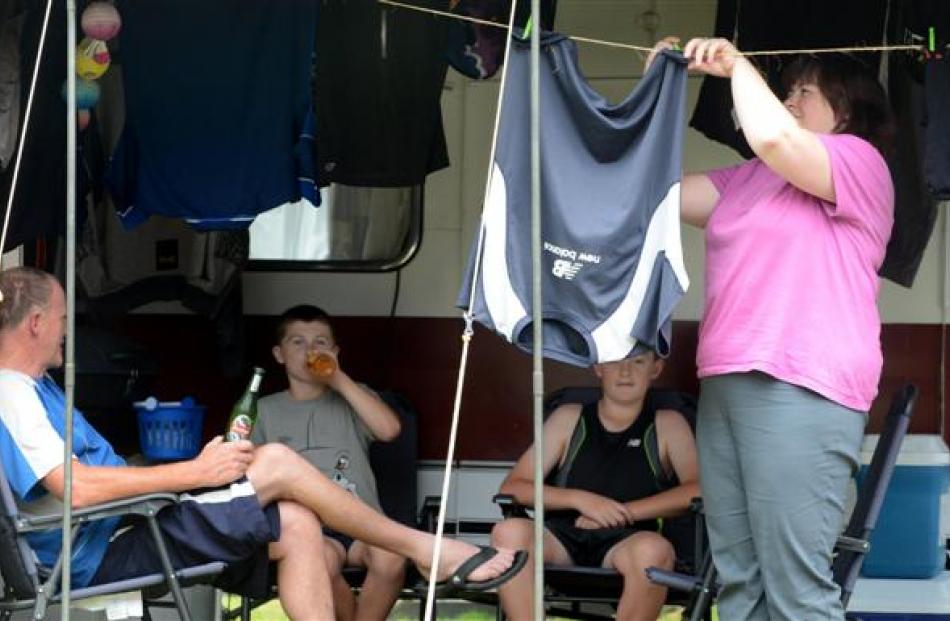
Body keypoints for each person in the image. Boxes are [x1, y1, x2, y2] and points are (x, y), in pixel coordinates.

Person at [0, 266, 526, 621]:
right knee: (275, 461)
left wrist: (170, 468)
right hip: (99, 549)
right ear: (38, 323)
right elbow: (72, 485)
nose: (68, 332)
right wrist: (194, 474)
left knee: (296, 521)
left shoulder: (35, 386)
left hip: (122, 526)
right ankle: (425, 548)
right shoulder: (12, 392)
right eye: (65, 322)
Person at [646, 38, 896, 620]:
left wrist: (737, 67)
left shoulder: (859, 161)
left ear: (847, 110)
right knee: (740, 584)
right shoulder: (753, 177)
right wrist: (661, 91)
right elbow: (653, 195)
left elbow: (777, 138)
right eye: (786, 90)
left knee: (796, 590)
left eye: (804, 91)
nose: (788, 100)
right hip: (729, 384)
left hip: (802, 385)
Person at [490, 351, 700, 621]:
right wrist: (583, 501)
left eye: (638, 362)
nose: (625, 372)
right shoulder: (569, 416)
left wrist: (623, 512)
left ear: (656, 368)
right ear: (598, 368)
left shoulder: (668, 422)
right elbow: (513, 487)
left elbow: (696, 490)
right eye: (615, 361)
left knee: (654, 551)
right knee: (508, 532)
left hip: (628, 542)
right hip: (560, 539)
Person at [251, 305, 406, 621]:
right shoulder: (263, 410)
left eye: (320, 342)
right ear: (279, 354)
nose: (310, 349)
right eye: (298, 342)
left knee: (392, 556)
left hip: (365, 523)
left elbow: (389, 430)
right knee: (318, 560)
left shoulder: (353, 396)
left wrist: (340, 380)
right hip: (310, 530)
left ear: (335, 351)